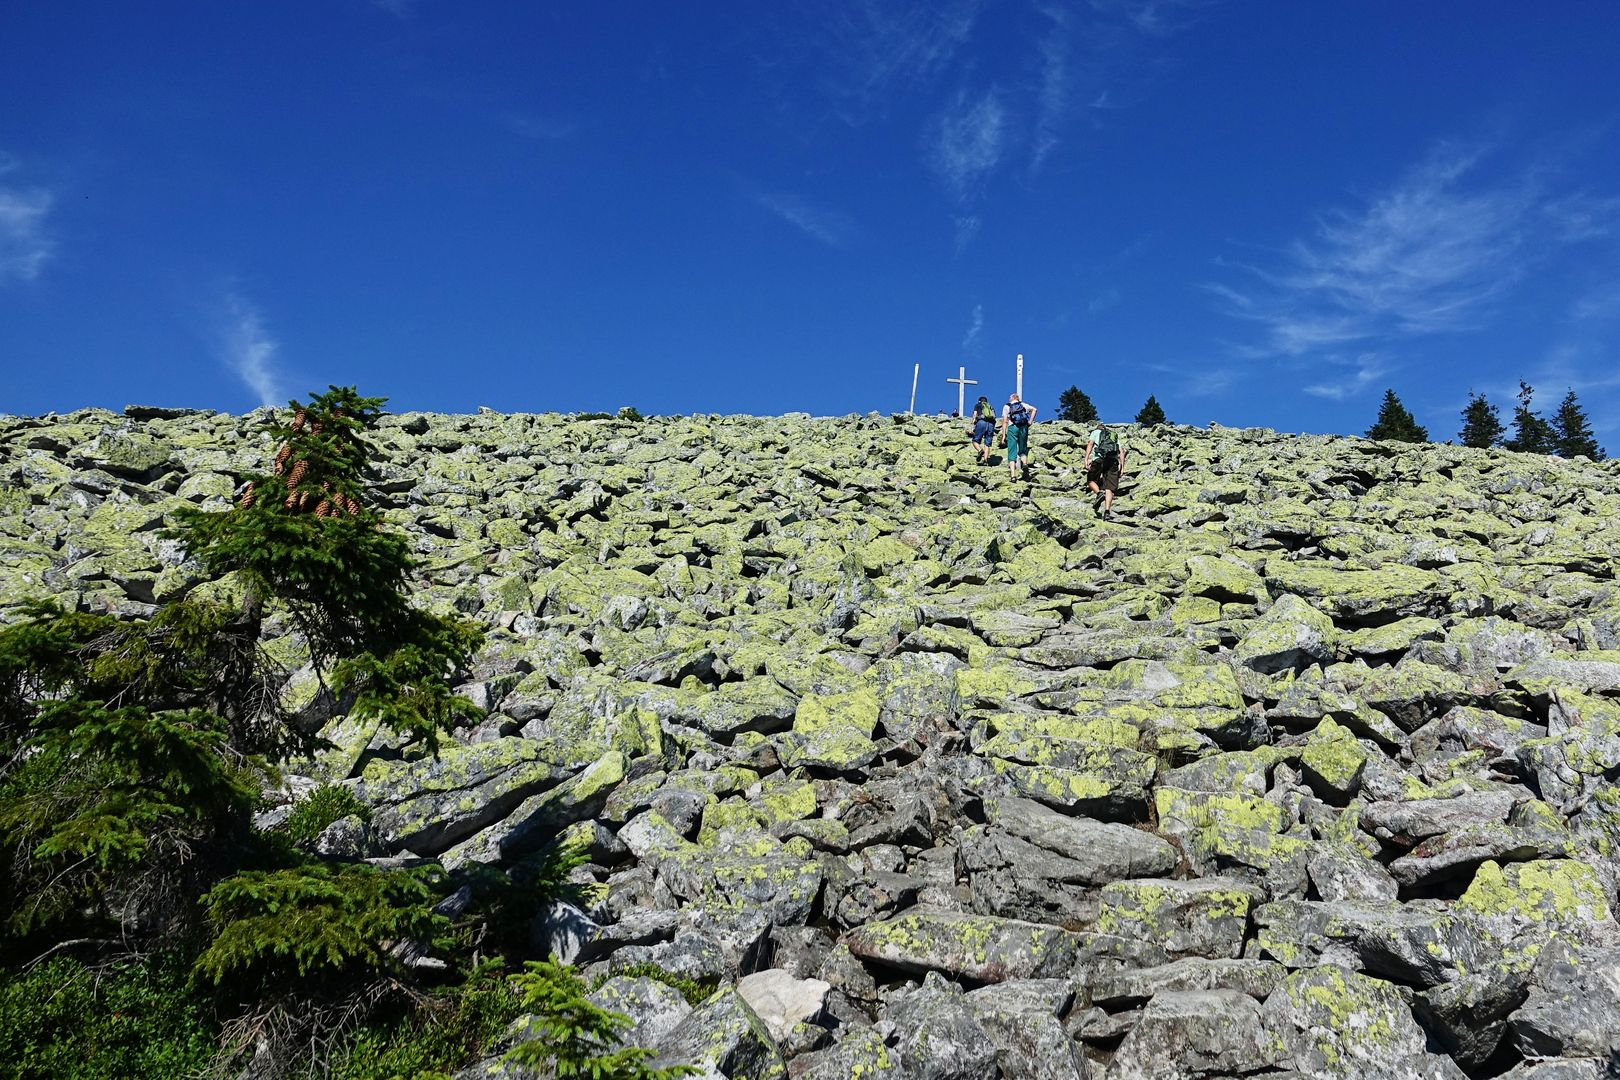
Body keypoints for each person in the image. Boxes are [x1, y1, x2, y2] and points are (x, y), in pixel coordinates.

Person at [1082, 423, 1126, 516]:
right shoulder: (1113, 435)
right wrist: (1122, 467)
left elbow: (1090, 443)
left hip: (1099, 459)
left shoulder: (1095, 432)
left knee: (1091, 480)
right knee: (1109, 488)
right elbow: (1121, 451)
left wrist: (1086, 459)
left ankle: (1099, 493)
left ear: (1098, 428)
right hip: (1113, 462)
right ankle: (1107, 512)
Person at [1000, 394, 1037, 480]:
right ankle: (1024, 464)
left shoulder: (1007, 406)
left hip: (1012, 427)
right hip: (1023, 427)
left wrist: (1003, 435)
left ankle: (1013, 475)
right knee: (1023, 449)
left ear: (1013, 398)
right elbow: (1034, 409)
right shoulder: (1023, 405)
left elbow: (1005, 421)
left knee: (1012, 451)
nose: (1009, 399)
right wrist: (1030, 422)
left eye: (1009, 397)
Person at [968, 395, 997, 464]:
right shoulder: (990, 407)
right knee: (987, 443)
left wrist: (973, 423)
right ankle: (985, 460)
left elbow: (975, 414)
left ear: (979, 401)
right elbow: (994, 417)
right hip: (990, 424)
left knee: (975, 440)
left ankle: (980, 450)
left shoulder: (977, 405)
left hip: (981, 422)